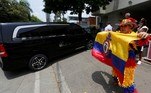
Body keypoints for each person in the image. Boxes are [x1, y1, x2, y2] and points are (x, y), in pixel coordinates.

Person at [92, 19, 151, 93]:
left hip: (128, 59)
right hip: (116, 56)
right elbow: (107, 36)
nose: (122, 28)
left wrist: (145, 35)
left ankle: (129, 91)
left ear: (131, 26)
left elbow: (141, 42)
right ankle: (116, 80)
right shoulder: (117, 33)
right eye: (121, 26)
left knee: (127, 78)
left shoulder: (134, 35)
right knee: (115, 70)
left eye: (125, 26)